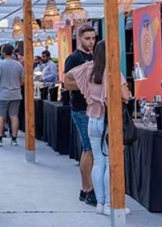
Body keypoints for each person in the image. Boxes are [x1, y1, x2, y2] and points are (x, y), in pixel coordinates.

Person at [64, 40, 132, 216]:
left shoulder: (88, 68)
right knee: (110, 162)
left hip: (92, 119)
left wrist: (84, 87)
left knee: (98, 161)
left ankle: (100, 203)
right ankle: (110, 203)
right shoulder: (113, 71)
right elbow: (125, 95)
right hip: (108, 121)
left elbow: (67, 77)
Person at [64, 23, 98, 206]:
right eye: (87, 38)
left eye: (93, 38)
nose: (91, 42)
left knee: (91, 149)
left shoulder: (96, 56)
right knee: (88, 148)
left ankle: (86, 189)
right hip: (80, 108)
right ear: (79, 39)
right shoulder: (73, 58)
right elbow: (67, 83)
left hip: (95, 108)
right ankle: (87, 189)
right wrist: (89, 87)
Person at [0, 44, 24, 147]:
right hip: (16, 94)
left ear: (2, 52)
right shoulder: (19, 65)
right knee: (14, 116)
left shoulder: (0, 64)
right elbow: (23, 80)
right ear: (12, 52)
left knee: (0, 116)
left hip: (2, 94)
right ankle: (14, 139)